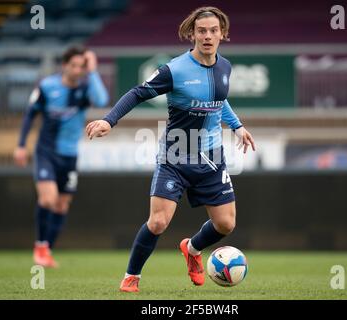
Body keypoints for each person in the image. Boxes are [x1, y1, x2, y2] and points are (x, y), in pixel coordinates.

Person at [86, 6, 255, 292]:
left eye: (213, 30)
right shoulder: (174, 70)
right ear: (192, 34)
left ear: (222, 34)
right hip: (175, 156)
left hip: (211, 158)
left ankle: (192, 248)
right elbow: (138, 92)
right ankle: (132, 276)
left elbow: (219, 100)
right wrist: (109, 120)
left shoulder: (225, 67)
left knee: (226, 225)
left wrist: (237, 126)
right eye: (201, 31)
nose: (207, 36)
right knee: (158, 222)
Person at [14, 47, 109, 267]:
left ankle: (46, 250)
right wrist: (20, 145)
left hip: (70, 155)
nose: (77, 70)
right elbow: (30, 115)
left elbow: (102, 100)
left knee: (61, 205)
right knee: (48, 199)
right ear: (64, 65)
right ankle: (40, 246)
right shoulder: (48, 86)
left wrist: (93, 71)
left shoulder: (85, 89)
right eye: (73, 65)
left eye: (81, 67)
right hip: (46, 152)